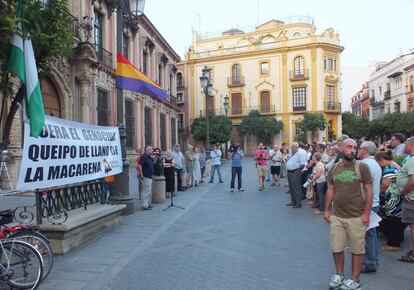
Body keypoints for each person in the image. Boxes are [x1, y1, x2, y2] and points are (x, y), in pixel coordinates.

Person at [324, 139, 373, 290]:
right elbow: (331, 189)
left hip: (356, 216)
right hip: (337, 216)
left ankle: (355, 280)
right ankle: (339, 275)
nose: (352, 150)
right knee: (336, 247)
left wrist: (366, 214)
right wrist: (326, 210)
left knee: (357, 249)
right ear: (341, 148)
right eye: (349, 147)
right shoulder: (334, 168)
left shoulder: (362, 167)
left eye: (354, 148)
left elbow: (369, 190)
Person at [357, 141, 382, 273]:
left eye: (359, 148)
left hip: (367, 203)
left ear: (365, 150)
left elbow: (361, 186)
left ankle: (370, 263)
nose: (357, 150)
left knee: (368, 235)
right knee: (371, 234)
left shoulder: (365, 164)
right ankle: (373, 260)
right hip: (373, 203)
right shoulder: (375, 163)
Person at [376, 150, 406, 251]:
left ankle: (393, 244)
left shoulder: (389, 167)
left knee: (394, 220)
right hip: (399, 195)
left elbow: (385, 184)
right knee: (398, 219)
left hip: (393, 197)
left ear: (382, 160)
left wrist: (377, 192)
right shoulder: (395, 164)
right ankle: (397, 240)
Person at [396, 136, 414, 263]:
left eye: (406, 144)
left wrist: (404, 192)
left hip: (411, 199)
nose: (404, 147)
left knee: (413, 227)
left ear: (411, 145)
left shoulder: (413, 160)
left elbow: (413, 181)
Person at [286, 142, 307, 208]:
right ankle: (293, 201)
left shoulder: (299, 154)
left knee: (296, 188)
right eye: (292, 146)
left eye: (294, 146)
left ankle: (298, 203)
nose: (293, 147)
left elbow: (303, 164)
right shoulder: (291, 154)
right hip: (289, 172)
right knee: (291, 188)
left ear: (297, 147)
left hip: (295, 172)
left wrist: (298, 171)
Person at [137, 145, 154, 210]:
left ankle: (147, 203)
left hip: (149, 176)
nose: (152, 151)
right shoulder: (143, 157)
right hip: (145, 176)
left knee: (148, 190)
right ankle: (144, 205)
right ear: (147, 150)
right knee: (145, 191)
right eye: (151, 150)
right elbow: (139, 165)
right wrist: (141, 175)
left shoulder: (149, 157)